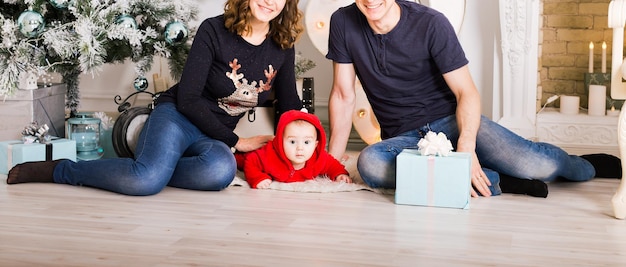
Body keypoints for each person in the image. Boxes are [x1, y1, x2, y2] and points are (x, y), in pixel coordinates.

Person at [325, 0, 621, 198]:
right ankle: (500, 180)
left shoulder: (431, 23)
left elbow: (466, 92)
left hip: (452, 124)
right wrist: (331, 163)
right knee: (371, 165)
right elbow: (342, 94)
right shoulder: (343, 22)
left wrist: (466, 147)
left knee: (540, 166)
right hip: (403, 138)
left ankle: (584, 164)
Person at [6, 0, 305, 196]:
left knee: (221, 171)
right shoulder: (214, 30)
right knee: (145, 181)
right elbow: (187, 99)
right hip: (178, 116)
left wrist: (311, 145)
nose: (270, 1)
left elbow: (290, 105)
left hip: (211, 134)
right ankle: (61, 169)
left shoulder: (281, 46)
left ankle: (155, 163)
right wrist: (238, 142)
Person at [240, 110, 351, 189]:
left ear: (316, 145)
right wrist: (258, 177)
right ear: (280, 142)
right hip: (244, 154)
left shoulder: (318, 157)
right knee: (237, 160)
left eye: (307, 142)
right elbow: (250, 161)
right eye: (292, 142)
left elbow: (332, 165)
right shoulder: (269, 154)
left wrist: (340, 174)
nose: (300, 148)